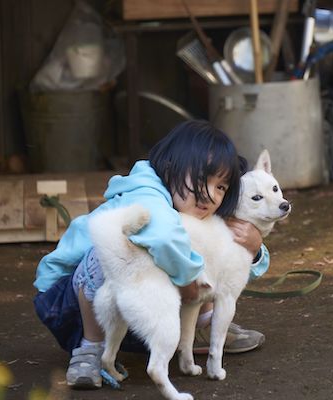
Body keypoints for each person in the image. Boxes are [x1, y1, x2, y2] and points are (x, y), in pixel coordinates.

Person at [33, 120, 270, 389]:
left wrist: (253, 248)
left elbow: (228, 264)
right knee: (116, 250)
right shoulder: (148, 191)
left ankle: (203, 325)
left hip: (138, 310)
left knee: (202, 244)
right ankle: (90, 348)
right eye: (202, 179)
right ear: (172, 167)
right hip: (73, 302)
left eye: (221, 187)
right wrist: (187, 280)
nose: (210, 194)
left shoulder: (194, 207)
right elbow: (164, 236)